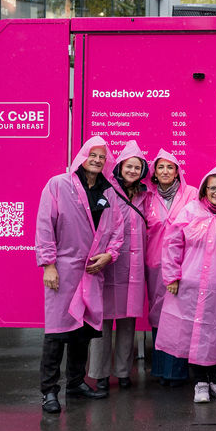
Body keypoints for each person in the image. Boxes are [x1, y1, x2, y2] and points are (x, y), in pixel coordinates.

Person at [35, 136, 123, 414]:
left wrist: (110, 254)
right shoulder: (58, 185)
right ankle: (49, 391)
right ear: (82, 156)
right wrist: (48, 264)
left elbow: (118, 230)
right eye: (92, 155)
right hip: (64, 270)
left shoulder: (108, 192)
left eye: (101, 156)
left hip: (93, 271)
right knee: (57, 333)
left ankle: (75, 383)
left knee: (83, 331)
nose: (97, 160)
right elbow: (45, 225)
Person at [157, 168, 216, 404]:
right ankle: (200, 382)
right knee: (193, 334)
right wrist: (171, 276)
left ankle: (215, 380)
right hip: (189, 285)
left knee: (215, 333)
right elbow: (172, 243)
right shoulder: (190, 211)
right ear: (204, 189)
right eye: (212, 187)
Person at [88, 140, 149, 392]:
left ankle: (124, 372)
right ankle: (99, 374)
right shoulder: (107, 192)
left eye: (137, 167)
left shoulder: (146, 195)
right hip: (109, 264)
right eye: (129, 166)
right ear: (120, 167)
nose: (133, 171)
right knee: (102, 321)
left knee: (127, 321)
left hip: (134, 267)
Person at [146, 149, 198, 386]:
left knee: (180, 315)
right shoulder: (147, 196)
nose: (165, 171)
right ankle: (160, 369)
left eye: (170, 167)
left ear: (177, 171)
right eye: (161, 167)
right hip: (155, 265)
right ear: (154, 172)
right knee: (158, 316)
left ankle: (176, 371)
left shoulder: (192, 194)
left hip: (183, 265)